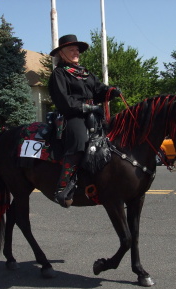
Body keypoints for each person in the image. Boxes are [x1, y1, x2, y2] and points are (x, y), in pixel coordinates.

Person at [48, 34, 120, 208]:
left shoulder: (84, 73)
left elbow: (99, 90)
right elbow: (63, 101)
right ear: (62, 53)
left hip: (93, 115)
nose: (76, 52)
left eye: (77, 50)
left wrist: (111, 92)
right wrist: (87, 108)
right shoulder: (59, 74)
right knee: (80, 142)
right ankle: (64, 186)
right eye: (71, 49)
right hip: (71, 116)